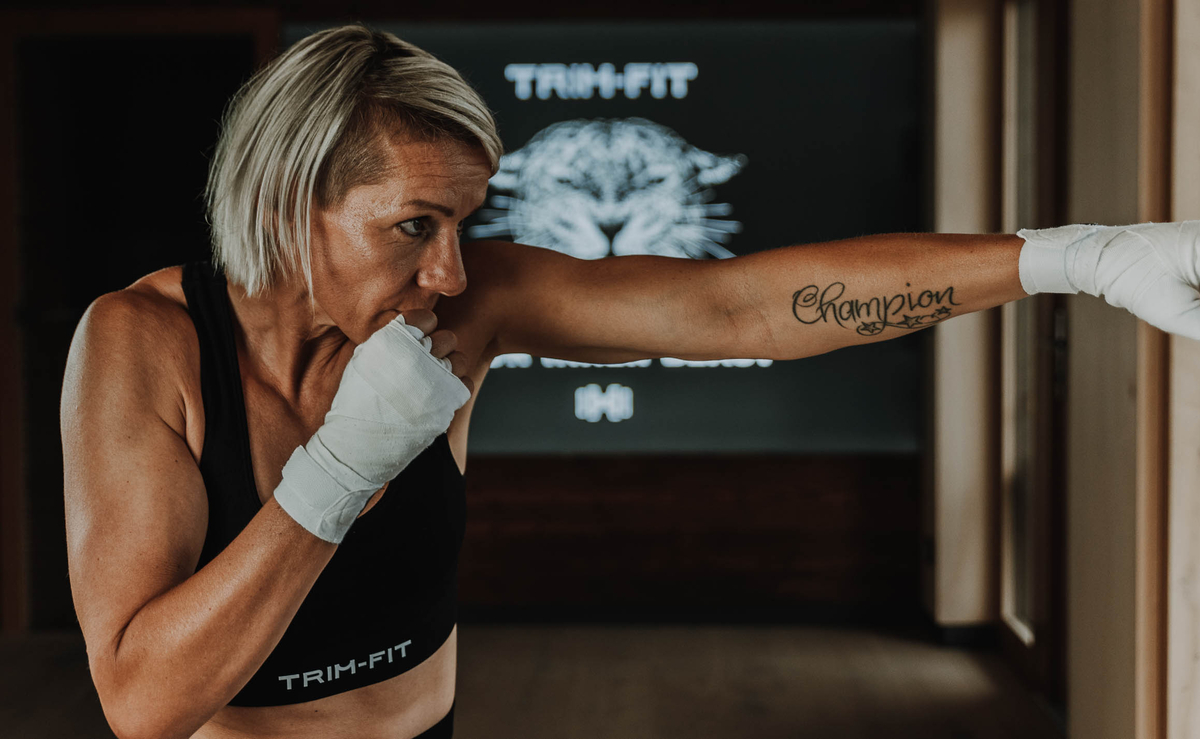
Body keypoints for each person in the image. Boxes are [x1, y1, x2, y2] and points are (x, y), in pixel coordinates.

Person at [60, 23, 1200, 739]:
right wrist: (344, 466)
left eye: (463, 222)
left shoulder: (461, 302)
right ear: (279, 206)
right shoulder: (143, 345)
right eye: (411, 224)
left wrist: (1078, 257)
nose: (450, 270)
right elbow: (144, 702)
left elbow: (737, 306)